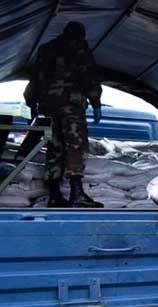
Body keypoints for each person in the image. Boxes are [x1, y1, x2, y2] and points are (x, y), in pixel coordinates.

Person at [24, 21, 103, 208]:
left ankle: (54, 195)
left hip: (48, 106)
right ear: (80, 35)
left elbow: (35, 78)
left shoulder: (45, 50)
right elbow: (88, 75)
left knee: (54, 147)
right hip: (71, 104)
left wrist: (31, 102)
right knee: (76, 145)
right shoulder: (78, 46)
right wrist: (96, 101)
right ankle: (77, 194)